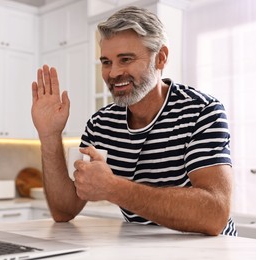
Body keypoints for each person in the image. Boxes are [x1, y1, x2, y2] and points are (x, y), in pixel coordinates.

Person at [31, 6, 237, 236]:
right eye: (106, 62)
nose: (113, 73)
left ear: (160, 58)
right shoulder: (102, 124)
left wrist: (113, 188)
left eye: (125, 59)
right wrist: (49, 135)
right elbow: (64, 211)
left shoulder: (202, 111)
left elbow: (215, 215)